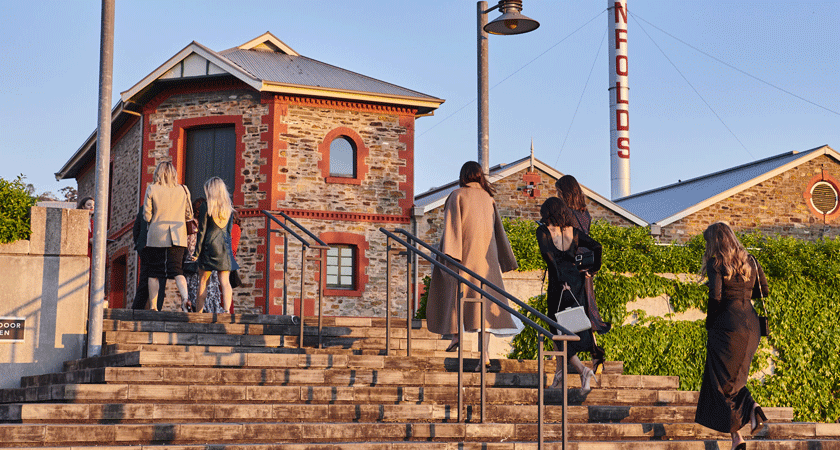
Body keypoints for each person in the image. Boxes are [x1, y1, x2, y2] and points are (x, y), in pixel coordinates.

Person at [425, 161, 522, 369]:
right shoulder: (489, 199)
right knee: (484, 309)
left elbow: (452, 229)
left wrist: (448, 256)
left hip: (463, 257)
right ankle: (484, 355)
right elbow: (499, 232)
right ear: (479, 176)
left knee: (453, 292)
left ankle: (455, 335)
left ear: (463, 176)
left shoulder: (457, 195)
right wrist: (504, 259)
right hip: (486, 262)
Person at [695, 222, 769, 450]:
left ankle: (753, 409)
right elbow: (764, 291)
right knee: (733, 380)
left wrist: (710, 324)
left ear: (714, 242)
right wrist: (743, 288)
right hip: (752, 325)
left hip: (727, 326)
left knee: (720, 382)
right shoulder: (752, 261)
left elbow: (715, 297)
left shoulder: (716, 263)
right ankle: (737, 437)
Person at [536, 196, 603, 391]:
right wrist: (593, 269)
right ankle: (563, 377)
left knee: (557, 330)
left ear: (548, 213)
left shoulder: (543, 231)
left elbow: (550, 259)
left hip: (559, 284)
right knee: (573, 328)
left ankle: (582, 370)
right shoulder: (574, 232)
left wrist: (560, 281)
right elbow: (597, 246)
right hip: (576, 282)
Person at [555, 175, 610, 372]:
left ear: (564, 192)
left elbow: (567, 242)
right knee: (586, 311)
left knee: (567, 315)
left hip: (572, 267)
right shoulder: (585, 214)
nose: (557, 195)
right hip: (587, 266)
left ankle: (581, 358)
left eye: (558, 192)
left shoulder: (565, 214)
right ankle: (595, 354)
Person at [143, 161, 192, 312]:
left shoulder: (152, 189)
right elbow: (189, 214)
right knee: (178, 271)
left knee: (153, 273)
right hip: (178, 236)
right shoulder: (183, 189)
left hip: (157, 235)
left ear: (158, 173)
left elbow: (146, 215)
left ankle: (153, 306)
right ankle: (185, 299)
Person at [194, 177, 238, 313]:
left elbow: (202, 231)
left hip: (209, 247)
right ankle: (226, 311)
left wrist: (196, 253)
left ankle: (199, 313)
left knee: (203, 281)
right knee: (225, 281)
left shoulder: (206, 206)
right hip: (224, 247)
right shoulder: (229, 208)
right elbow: (229, 231)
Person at [186, 197, 224, 313]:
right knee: (209, 288)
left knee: (195, 290)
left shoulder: (189, 222)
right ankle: (210, 310)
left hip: (191, 261)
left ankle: (196, 311)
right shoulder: (209, 222)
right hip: (206, 258)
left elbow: (188, 243)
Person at [131, 207, 166, 310]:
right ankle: (156, 308)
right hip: (156, 245)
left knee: (145, 279)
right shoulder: (161, 208)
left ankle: (137, 309)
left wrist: (139, 244)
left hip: (145, 246)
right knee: (160, 279)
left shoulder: (143, 208)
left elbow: (136, 229)